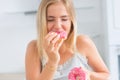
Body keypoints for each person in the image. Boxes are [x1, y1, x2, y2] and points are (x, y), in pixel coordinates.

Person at [25, 0, 110, 80]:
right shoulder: (34, 48)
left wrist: (89, 74)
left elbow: (105, 75)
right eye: (50, 20)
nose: (58, 26)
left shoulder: (83, 42)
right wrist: (52, 62)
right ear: (42, 22)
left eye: (64, 19)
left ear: (71, 21)